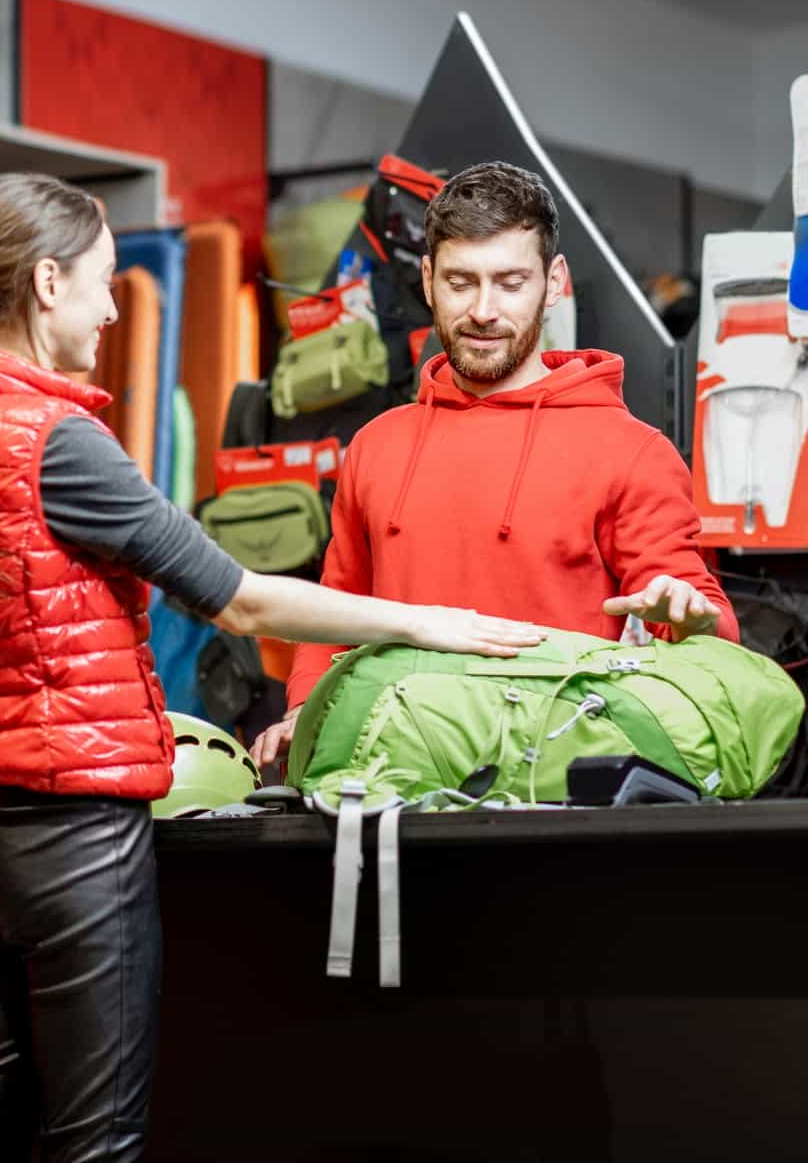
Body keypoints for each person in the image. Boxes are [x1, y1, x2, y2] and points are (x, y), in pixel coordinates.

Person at [0, 172, 541, 1163]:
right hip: (78, 845)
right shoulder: (58, 443)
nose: (114, 305)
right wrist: (423, 620)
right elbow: (242, 603)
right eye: (101, 282)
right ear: (47, 283)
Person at [252, 160, 737, 774]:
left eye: (510, 283)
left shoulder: (630, 451)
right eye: (461, 282)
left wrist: (690, 620)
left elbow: (711, 629)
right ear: (428, 280)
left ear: (553, 281)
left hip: (549, 788)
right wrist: (305, 707)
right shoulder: (376, 445)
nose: (484, 310)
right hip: (389, 783)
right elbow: (339, 607)